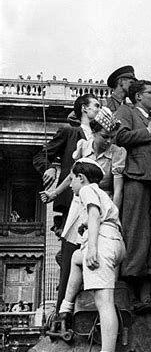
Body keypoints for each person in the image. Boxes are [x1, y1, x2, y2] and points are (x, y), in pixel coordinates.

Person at [56, 159, 125, 352]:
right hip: (115, 242)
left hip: (102, 242)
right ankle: (65, 308)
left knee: (104, 302)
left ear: (81, 178)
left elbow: (95, 215)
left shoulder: (86, 191)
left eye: (71, 179)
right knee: (77, 257)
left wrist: (93, 246)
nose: (70, 185)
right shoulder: (101, 192)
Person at [34, 94, 101, 313]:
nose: (99, 110)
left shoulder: (103, 135)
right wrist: (50, 166)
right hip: (73, 201)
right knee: (70, 256)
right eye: (96, 106)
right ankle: (63, 309)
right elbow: (42, 155)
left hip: (97, 198)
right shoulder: (70, 132)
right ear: (84, 108)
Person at [115, 80, 151, 313]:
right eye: (150, 93)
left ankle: (146, 296)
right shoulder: (126, 111)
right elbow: (120, 136)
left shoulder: (149, 117)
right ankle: (131, 296)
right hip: (136, 178)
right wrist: (148, 132)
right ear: (137, 96)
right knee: (135, 233)